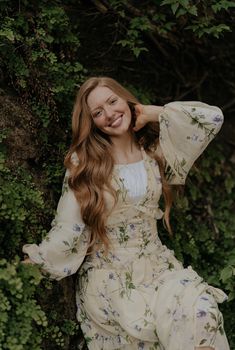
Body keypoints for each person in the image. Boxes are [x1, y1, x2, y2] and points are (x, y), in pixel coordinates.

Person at [23, 77, 230, 350]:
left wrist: (150, 112)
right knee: (146, 334)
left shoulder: (155, 153)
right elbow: (68, 225)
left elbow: (211, 119)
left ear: (126, 100)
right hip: (111, 278)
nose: (109, 114)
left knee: (202, 313)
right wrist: (40, 259)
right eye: (98, 112)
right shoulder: (84, 163)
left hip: (160, 269)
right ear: (92, 122)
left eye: (112, 101)